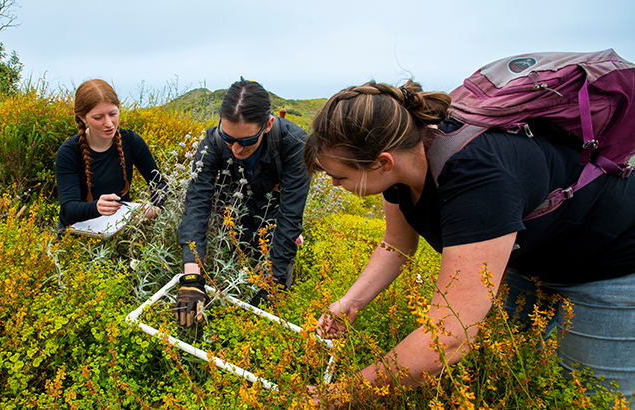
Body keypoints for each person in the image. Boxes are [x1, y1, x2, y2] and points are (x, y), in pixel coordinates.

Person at [303, 80, 635, 406]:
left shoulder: (474, 176)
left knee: (591, 395)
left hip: (612, 261)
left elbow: (447, 339)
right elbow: (396, 245)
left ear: (383, 162)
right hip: (530, 255)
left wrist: (341, 395)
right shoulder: (403, 165)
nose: (333, 184)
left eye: (340, 176)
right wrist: (351, 303)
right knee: (505, 365)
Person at [174, 78, 311, 327]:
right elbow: (197, 203)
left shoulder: (294, 145)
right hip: (230, 217)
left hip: (273, 221)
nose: (236, 149)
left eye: (247, 141)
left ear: (268, 124)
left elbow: (290, 219)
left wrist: (273, 281)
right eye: (229, 138)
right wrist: (192, 277)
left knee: (271, 304)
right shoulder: (213, 142)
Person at [55, 79, 164, 236]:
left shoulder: (131, 142)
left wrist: (155, 208)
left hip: (119, 233)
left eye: (113, 114)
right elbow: (68, 210)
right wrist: (96, 208)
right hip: (77, 240)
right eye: (98, 117)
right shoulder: (69, 152)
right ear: (82, 117)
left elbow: (159, 183)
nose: (109, 123)